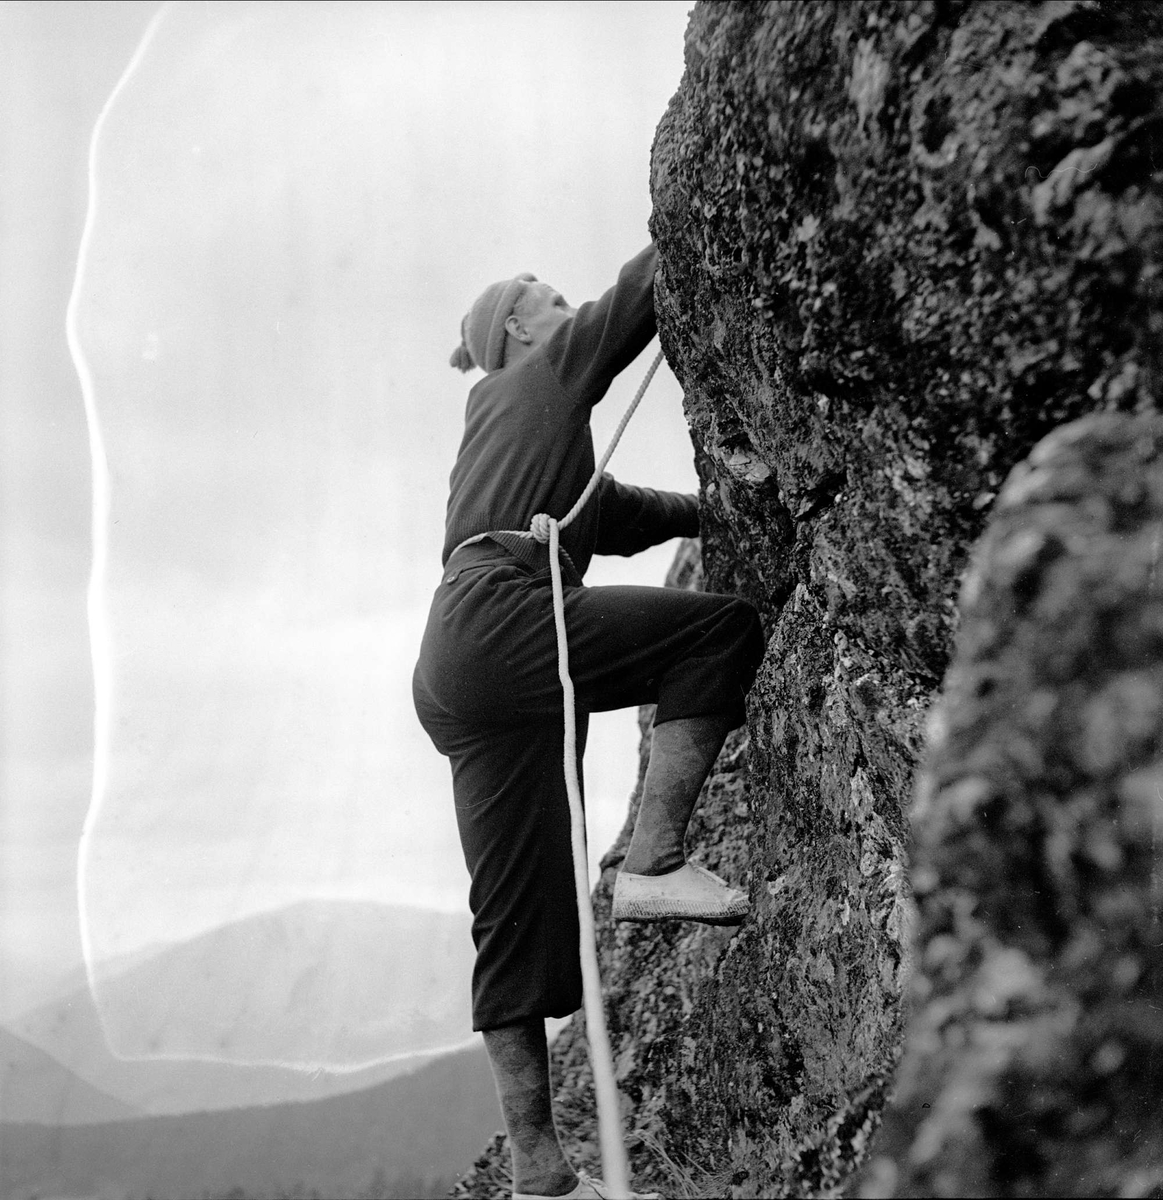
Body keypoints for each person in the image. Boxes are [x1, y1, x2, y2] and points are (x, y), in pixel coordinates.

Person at [412, 244, 764, 1200]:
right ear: (519, 329)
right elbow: (631, 303)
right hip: (506, 612)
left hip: (456, 660)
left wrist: (713, 507)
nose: (567, 311)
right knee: (717, 632)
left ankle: (540, 1176)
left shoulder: (513, 439)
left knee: (512, 916)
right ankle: (653, 865)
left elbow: (616, 511)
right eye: (550, 300)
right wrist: (681, 210)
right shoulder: (539, 373)